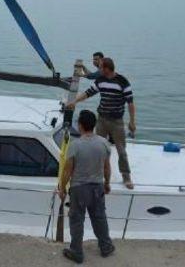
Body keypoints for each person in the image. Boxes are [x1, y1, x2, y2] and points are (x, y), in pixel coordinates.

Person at [67, 57, 136, 189]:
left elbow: (130, 103)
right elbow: (88, 93)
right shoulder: (100, 80)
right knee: (99, 149)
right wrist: (74, 102)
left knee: (121, 150)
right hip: (102, 120)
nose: (98, 70)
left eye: (100, 68)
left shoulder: (122, 81)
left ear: (106, 69)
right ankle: (98, 175)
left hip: (117, 122)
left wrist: (132, 122)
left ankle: (126, 177)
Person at [58, 110, 114, 263]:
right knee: (99, 218)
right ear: (94, 125)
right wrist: (107, 183)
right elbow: (107, 168)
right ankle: (106, 246)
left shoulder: (75, 145)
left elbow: (68, 170)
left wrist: (61, 188)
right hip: (97, 187)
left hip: (79, 189)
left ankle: (76, 251)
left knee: (77, 220)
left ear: (80, 125)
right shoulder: (104, 143)